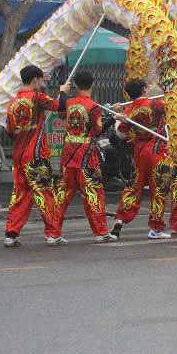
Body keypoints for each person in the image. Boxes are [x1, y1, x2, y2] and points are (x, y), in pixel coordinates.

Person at [4, 65, 67, 248]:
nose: (42, 83)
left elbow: (9, 131)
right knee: (45, 193)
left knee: (20, 195)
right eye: (41, 80)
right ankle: (52, 234)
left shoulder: (13, 102)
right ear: (35, 80)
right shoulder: (37, 97)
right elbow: (60, 106)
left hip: (18, 155)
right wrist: (63, 92)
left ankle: (11, 233)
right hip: (36, 155)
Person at [111, 79, 177, 240]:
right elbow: (173, 107)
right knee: (159, 189)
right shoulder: (154, 104)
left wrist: (120, 115)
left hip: (139, 151)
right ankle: (155, 228)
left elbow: (121, 132)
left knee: (133, 187)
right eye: (147, 87)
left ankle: (119, 220)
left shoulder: (129, 109)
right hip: (157, 151)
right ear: (143, 90)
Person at [58, 71, 114, 242]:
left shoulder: (68, 103)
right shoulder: (93, 107)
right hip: (87, 157)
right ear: (93, 83)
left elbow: (60, 111)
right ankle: (101, 232)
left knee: (62, 196)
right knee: (94, 194)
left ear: (75, 84)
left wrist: (62, 93)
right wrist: (111, 118)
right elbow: (98, 130)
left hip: (68, 156)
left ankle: (52, 233)